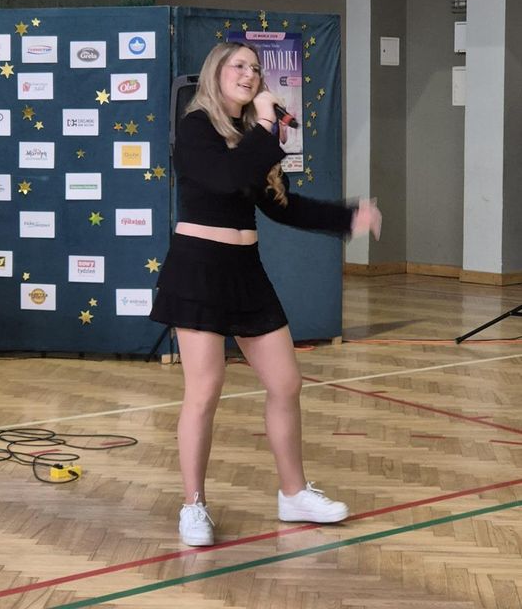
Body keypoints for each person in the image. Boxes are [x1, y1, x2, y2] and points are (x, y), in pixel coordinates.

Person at [150, 41, 382, 546]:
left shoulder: (251, 137)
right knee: (205, 390)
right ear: (215, 72)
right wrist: (264, 124)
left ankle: (293, 493)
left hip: (245, 270)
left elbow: (282, 206)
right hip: (198, 269)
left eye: (256, 68)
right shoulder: (196, 128)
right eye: (239, 65)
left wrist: (348, 217)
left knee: (286, 383)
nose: (250, 73)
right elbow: (227, 178)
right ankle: (193, 504)